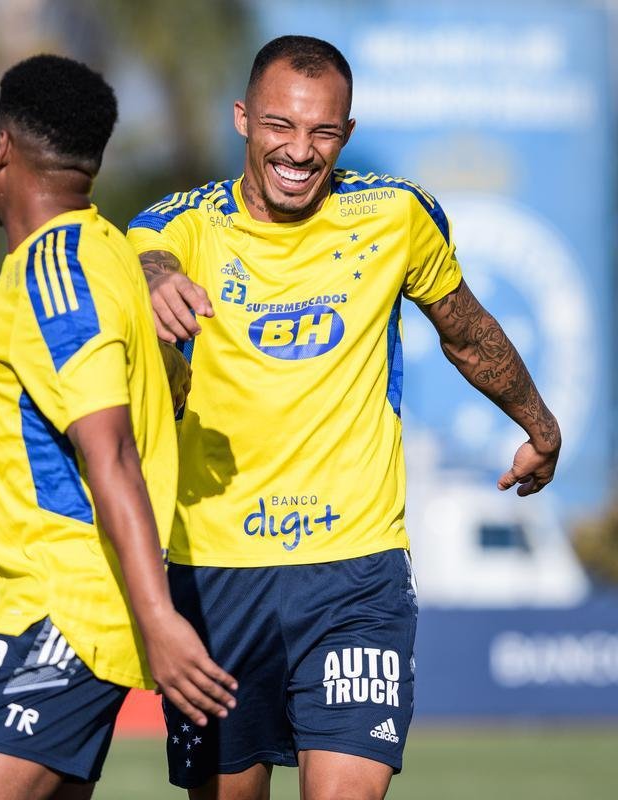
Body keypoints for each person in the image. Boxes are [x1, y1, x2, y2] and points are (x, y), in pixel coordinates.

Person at [127, 35, 561, 800]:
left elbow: (464, 329)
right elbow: (144, 254)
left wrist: (540, 425)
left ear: (346, 134)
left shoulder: (395, 215)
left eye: (323, 131)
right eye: (280, 126)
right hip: (216, 573)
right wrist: (157, 282)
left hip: (356, 572)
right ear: (243, 120)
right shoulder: (183, 225)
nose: (300, 150)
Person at [0, 54, 236, 800]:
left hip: (61, 616)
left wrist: (158, 620)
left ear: (0, 146)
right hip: (62, 616)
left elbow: (113, 452)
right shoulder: (104, 254)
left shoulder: (55, 274)